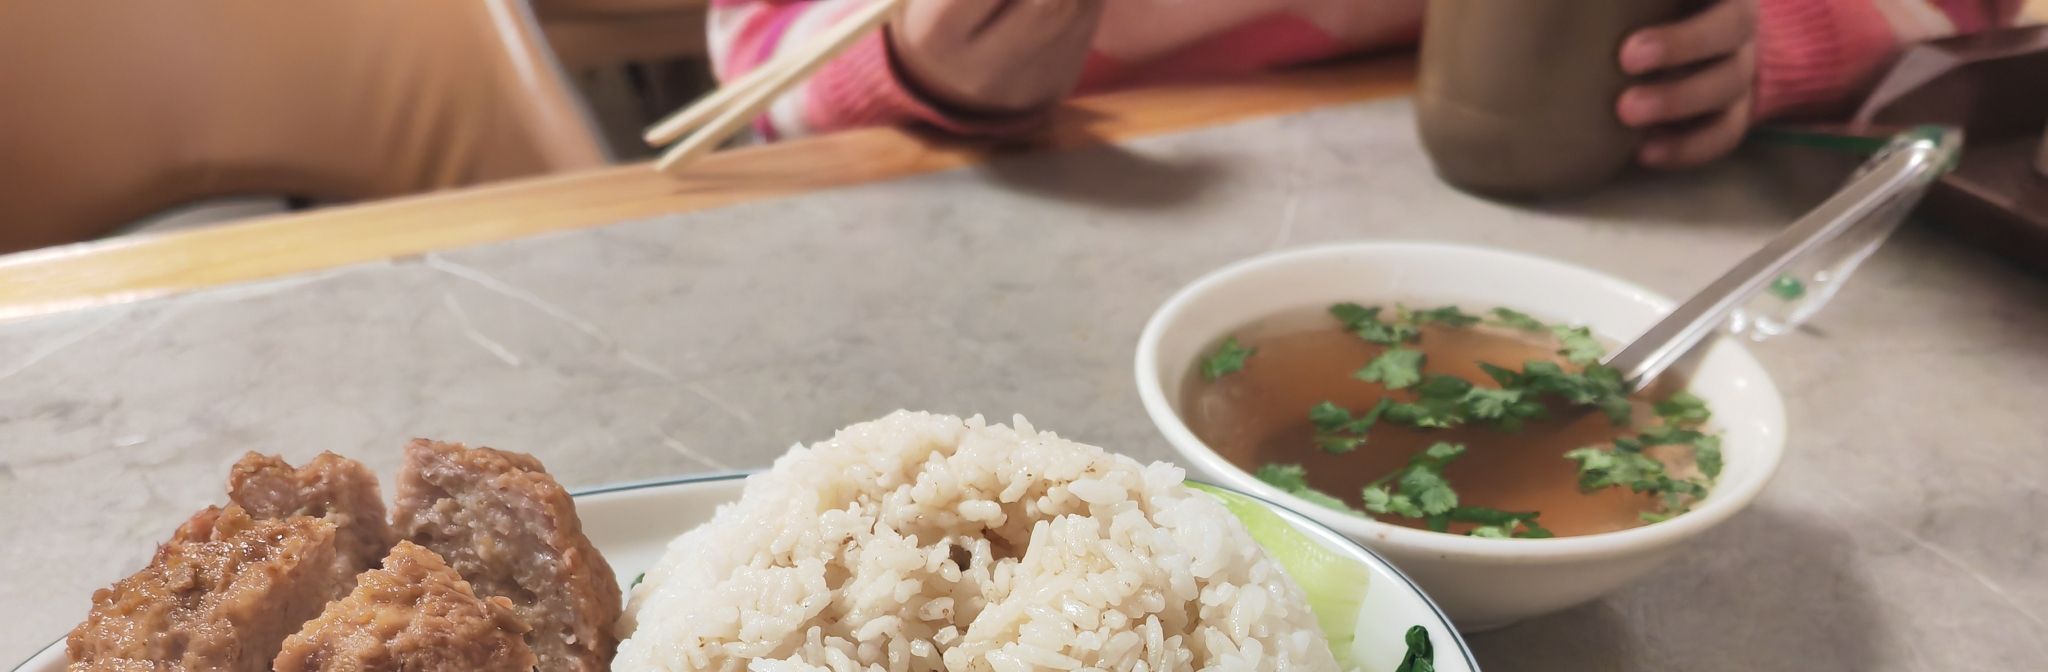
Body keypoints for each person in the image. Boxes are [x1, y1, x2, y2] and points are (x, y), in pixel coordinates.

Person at [707, 0, 2022, 166]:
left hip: (1595, 198)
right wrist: (922, 66)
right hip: (1008, 210)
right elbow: (760, 63)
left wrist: (1787, 43)